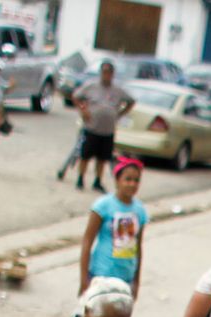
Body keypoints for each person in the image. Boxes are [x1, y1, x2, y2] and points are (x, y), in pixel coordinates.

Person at [80, 157, 147, 296]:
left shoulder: (140, 211)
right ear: (117, 180)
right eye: (128, 179)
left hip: (125, 277)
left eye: (136, 180)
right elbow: (87, 242)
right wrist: (83, 279)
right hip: (102, 275)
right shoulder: (103, 206)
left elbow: (138, 247)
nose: (132, 184)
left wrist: (136, 281)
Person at [72, 59, 134, 193]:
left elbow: (131, 101)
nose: (107, 75)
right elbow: (76, 97)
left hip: (107, 130)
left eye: (109, 73)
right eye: (105, 72)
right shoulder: (91, 86)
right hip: (92, 127)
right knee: (85, 156)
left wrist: (120, 113)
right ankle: (80, 178)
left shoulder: (117, 90)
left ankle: (97, 181)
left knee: (102, 158)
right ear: (101, 73)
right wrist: (83, 111)